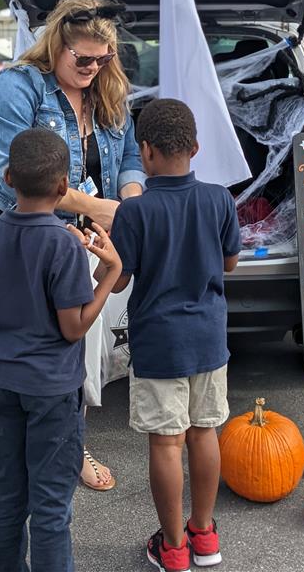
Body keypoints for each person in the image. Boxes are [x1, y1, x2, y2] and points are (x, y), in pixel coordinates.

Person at [0, 0, 145, 496]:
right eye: (82, 58)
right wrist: (95, 208)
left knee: (72, 344)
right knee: (7, 345)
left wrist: (130, 200)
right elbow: (4, 172)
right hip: (15, 228)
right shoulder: (16, 88)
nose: (93, 67)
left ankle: (69, 442)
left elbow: (128, 154)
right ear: (56, 42)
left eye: (103, 58)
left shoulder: (108, 86)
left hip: (76, 234)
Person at [0, 127, 122, 572]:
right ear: (62, 188)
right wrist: (111, 272)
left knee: (10, 491)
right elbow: (73, 329)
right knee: (51, 507)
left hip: (4, 384)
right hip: (52, 391)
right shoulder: (63, 244)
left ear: (10, 177)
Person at [104, 99, 242, 572]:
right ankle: (205, 535)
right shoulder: (220, 199)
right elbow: (229, 263)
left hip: (160, 341)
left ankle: (173, 546)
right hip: (209, 338)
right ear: (197, 147)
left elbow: (120, 280)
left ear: (145, 152)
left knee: (166, 443)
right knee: (205, 433)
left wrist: (104, 252)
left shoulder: (134, 212)